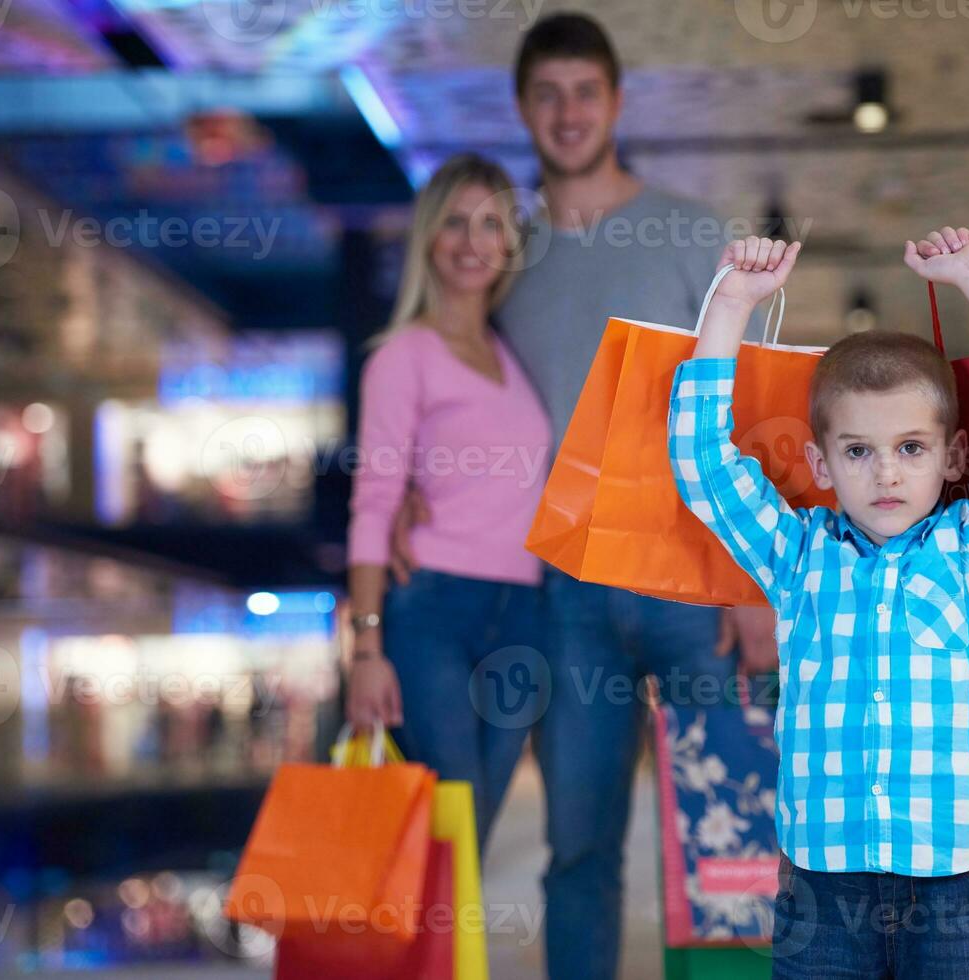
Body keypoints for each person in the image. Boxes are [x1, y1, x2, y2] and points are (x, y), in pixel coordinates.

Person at [386, 15, 776, 978]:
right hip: (563, 595)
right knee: (579, 852)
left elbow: (756, 417)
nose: (567, 113)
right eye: (547, 94)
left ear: (617, 101)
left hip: (694, 585)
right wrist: (403, 494)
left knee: (735, 840)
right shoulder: (505, 255)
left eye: (585, 91)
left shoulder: (694, 234)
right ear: (522, 108)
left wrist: (752, 579)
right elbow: (455, 387)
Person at [670, 229, 969, 977]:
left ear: (952, 456)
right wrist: (730, 304)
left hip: (958, 884)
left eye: (911, 447)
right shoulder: (796, 558)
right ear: (819, 464)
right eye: (857, 451)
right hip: (821, 893)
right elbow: (701, 463)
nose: (885, 473)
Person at [344, 154, 551, 851]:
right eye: (455, 223)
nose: (472, 241)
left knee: (472, 834)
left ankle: (445, 958)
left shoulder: (509, 351)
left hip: (521, 615)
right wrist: (365, 649)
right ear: (428, 238)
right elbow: (372, 503)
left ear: (510, 242)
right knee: (445, 832)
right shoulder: (402, 356)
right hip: (432, 611)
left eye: (491, 223)